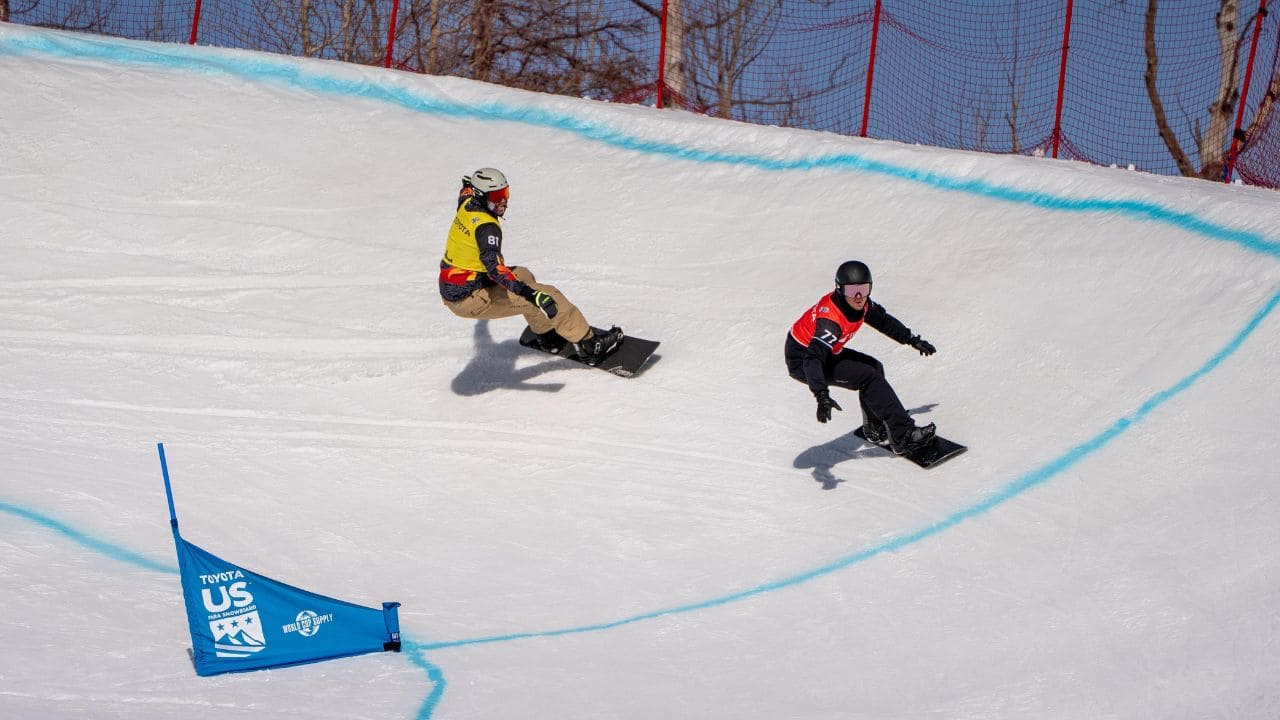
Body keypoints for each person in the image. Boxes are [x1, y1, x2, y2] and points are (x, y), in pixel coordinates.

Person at [438, 168, 622, 364]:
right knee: (549, 296)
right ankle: (589, 345)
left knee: (523, 275)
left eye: (505, 193)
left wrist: (467, 185)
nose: (503, 201)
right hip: (470, 299)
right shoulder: (487, 228)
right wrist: (531, 295)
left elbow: (465, 192)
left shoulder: (468, 202)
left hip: (464, 284)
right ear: (482, 196)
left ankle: (547, 336)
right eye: (497, 196)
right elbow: (495, 268)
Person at [785, 260, 939, 454]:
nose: (858, 296)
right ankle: (904, 436)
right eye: (851, 291)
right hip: (804, 360)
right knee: (869, 377)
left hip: (825, 352)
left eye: (864, 289)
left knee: (874, 367)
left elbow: (883, 321)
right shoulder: (831, 322)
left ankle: (875, 428)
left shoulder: (862, 304)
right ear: (840, 290)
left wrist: (911, 339)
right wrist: (821, 394)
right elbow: (812, 359)